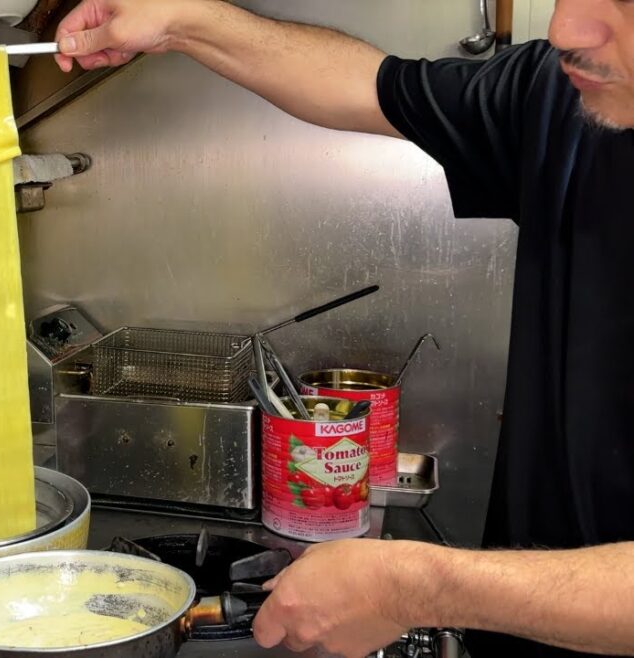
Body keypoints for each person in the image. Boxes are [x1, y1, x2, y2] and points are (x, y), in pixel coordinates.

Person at [54, 1, 634, 657]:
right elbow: (368, 85)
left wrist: (422, 589)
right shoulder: (563, 97)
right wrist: (184, 19)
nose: (567, 29)